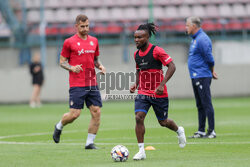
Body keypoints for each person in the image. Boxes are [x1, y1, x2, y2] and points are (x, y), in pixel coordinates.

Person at [130, 23, 186, 160]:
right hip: (143, 92)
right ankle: (141, 151)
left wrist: (162, 85)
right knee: (138, 118)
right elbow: (139, 71)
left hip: (158, 93)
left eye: (140, 37)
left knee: (163, 122)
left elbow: (172, 66)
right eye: (135, 37)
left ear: (147, 37)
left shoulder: (157, 51)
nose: (136, 40)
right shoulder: (136, 54)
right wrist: (135, 84)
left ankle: (179, 130)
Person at [52, 14, 106, 149]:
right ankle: (59, 126)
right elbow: (62, 62)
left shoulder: (94, 40)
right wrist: (72, 67)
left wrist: (100, 66)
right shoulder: (69, 42)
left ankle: (89, 143)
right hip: (77, 84)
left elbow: (94, 60)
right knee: (74, 114)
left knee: (96, 112)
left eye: (87, 26)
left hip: (92, 82)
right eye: (82, 26)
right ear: (76, 26)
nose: (85, 28)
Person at [185, 16, 218, 138]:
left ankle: (211, 131)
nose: (186, 27)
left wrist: (212, 71)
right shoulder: (195, 39)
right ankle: (201, 130)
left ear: (194, 26)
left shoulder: (202, 39)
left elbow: (209, 58)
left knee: (206, 103)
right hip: (196, 76)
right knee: (200, 104)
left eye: (187, 25)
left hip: (202, 75)